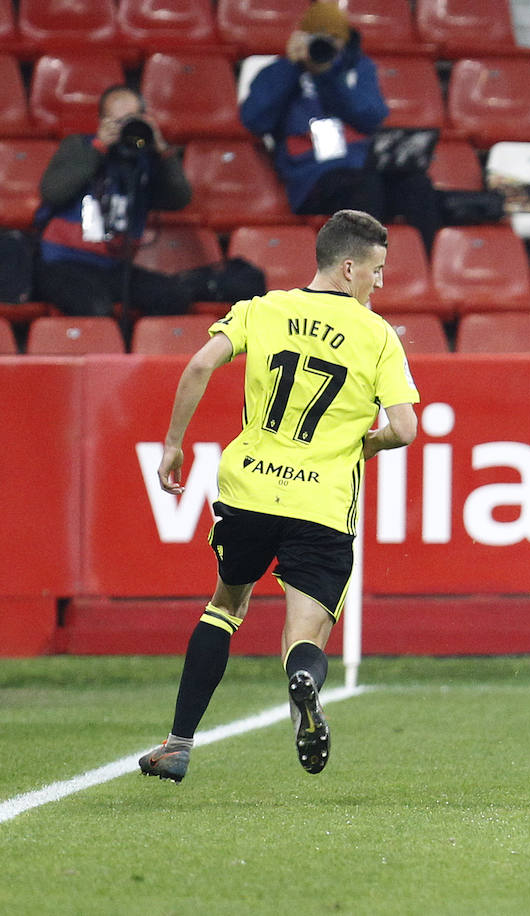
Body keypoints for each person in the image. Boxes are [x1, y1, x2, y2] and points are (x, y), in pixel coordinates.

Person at [138, 210, 419, 783]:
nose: (380, 282)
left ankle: (178, 744)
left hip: (249, 488)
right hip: (321, 501)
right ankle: (306, 682)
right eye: (377, 270)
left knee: (226, 606)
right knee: (304, 632)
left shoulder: (261, 309)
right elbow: (405, 428)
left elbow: (198, 365)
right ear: (348, 268)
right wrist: (362, 446)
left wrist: (173, 445)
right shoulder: (376, 333)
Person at [239, 1, 442, 250]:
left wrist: (329, 77)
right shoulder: (281, 72)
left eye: (334, 39)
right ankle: (358, 276)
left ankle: (425, 267)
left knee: (416, 186)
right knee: (363, 187)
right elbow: (254, 120)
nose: (326, 45)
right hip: (313, 178)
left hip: (362, 169)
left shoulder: (358, 68)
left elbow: (371, 118)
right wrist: (290, 68)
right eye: (318, 38)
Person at [34, 85, 193, 318]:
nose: (124, 129)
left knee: (175, 295)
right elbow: (52, 192)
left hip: (113, 268)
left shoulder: (146, 161)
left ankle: (144, 348)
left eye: (132, 120)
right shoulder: (79, 146)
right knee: (95, 306)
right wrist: (98, 148)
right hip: (62, 263)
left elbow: (180, 199)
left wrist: (162, 150)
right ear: (101, 121)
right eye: (116, 122)